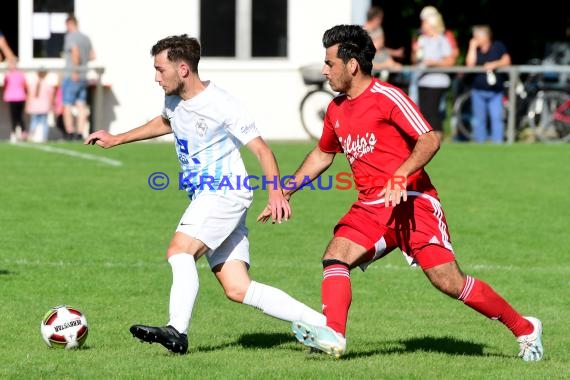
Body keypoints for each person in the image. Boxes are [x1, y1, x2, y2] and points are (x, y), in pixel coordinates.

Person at [257, 25, 543, 362]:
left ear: (352, 65)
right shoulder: (335, 109)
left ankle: (525, 328)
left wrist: (400, 176)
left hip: (413, 202)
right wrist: (286, 190)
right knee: (336, 256)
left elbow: (430, 138)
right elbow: (323, 154)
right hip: (371, 208)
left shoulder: (387, 97)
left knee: (449, 282)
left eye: (329, 63)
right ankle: (334, 334)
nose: (324, 70)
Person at [85, 34, 325, 354]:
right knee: (238, 288)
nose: (156, 77)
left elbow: (262, 150)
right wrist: (117, 139)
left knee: (179, 251)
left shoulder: (222, 105)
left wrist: (277, 195)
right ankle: (323, 325)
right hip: (208, 196)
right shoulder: (174, 98)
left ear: (183, 69)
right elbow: (166, 121)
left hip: (223, 193)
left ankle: (177, 330)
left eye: (160, 69)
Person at [410, 11, 455, 141]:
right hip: (422, 80)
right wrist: (415, 51)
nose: (422, 25)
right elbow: (415, 60)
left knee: (433, 113)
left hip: (437, 82)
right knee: (424, 113)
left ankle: (437, 140)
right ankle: (428, 140)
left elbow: (450, 61)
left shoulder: (442, 39)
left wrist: (434, 63)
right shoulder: (422, 39)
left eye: (424, 22)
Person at [465, 25, 511, 143]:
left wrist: (494, 64)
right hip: (478, 90)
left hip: (495, 91)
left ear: (485, 37)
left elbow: (507, 61)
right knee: (479, 119)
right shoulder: (475, 49)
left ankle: (498, 143)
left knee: (497, 118)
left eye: (477, 37)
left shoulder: (498, 46)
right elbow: (470, 65)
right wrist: (472, 47)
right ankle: (480, 143)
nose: (475, 39)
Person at [62, 14, 95, 140]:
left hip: (73, 75)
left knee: (67, 104)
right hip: (83, 76)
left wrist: (75, 69)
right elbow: (92, 55)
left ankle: (69, 133)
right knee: (81, 105)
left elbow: (75, 51)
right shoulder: (86, 38)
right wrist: (83, 61)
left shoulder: (70, 37)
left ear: (70, 24)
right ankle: (81, 133)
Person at [26, 68, 56, 142]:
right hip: (44, 107)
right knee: (44, 123)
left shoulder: (33, 84)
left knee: (34, 122)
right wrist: (52, 106)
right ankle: (44, 138)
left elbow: (29, 96)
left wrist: (27, 106)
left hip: (34, 107)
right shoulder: (47, 84)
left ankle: (31, 136)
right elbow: (51, 96)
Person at [3, 59, 28, 143]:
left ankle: (21, 132)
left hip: (19, 97)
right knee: (14, 116)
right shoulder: (8, 74)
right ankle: (15, 133)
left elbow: (24, 85)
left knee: (18, 116)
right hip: (12, 98)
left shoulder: (18, 74)